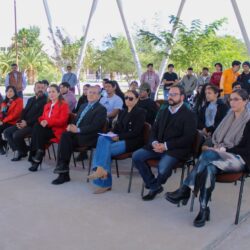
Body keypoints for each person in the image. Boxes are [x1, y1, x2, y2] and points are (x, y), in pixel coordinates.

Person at [166, 89, 250, 228]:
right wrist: (208, 145)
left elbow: (246, 149)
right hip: (219, 156)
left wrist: (222, 150)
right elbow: (215, 137)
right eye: (231, 99)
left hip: (240, 159)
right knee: (209, 168)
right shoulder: (229, 116)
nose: (232, 102)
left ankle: (186, 189)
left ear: (246, 101)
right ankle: (203, 210)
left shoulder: (248, 120)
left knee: (208, 155)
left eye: (237, 99)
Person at [132, 85, 197, 201]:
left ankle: (154, 186)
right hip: (157, 146)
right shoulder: (163, 111)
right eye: (169, 94)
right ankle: (154, 185)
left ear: (182, 97)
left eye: (174, 95)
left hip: (175, 149)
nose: (170, 97)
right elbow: (154, 130)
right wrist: (154, 142)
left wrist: (166, 146)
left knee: (162, 167)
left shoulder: (189, 115)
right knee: (136, 156)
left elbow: (188, 138)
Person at [88, 90, 146, 194]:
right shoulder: (123, 111)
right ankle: (101, 171)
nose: (127, 100)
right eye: (126, 97)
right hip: (119, 138)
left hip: (131, 142)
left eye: (131, 98)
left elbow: (136, 132)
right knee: (102, 138)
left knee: (105, 150)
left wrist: (119, 137)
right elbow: (118, 127)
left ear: (137, 99)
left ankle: (103, 179)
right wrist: (111, 133)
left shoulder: (140, 112)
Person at [52, 86, 107, 185]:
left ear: (99, 96)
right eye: (89, 92)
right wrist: (71, 125)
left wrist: (77, 129)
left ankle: (63, 172)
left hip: (89, 136)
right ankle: (63, 171)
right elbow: (76, 120)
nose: (90, 94)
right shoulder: (83, 105)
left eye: (94, 93)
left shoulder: (101, 109)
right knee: (65, 136)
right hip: (76, 134)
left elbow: (95, 127)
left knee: (65, 139)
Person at [28, 84, 70, 172]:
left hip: (56, 130)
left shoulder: (63, 105)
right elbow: (42, 117)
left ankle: (36, 156)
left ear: (58, 93)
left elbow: (62, 121)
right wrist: (42, 121)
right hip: (45, 128)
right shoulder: (47, 105)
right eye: (49, 92)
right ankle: (39, 153)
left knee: (38, 131)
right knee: (37, 126)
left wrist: (48, 122)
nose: (51, 94)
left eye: (53, 91)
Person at [4, 81, 47, 161]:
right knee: (7, 132)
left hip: (34, 125)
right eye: (38, 88)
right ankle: (21, 150)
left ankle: (22, 151)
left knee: (16, 135)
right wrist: (20, 121)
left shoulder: (46, 101)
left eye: (42, 88)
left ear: (45, 89)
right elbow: (24, 111)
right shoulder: (31, 99)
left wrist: (26, 123)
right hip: (24, 123)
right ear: (34, 89)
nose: (40, 89)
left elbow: (40, 116)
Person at [0, 86, 23, 154]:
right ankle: (2, 145)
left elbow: (15, 115)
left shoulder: (19, 100)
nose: (8, 93)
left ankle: (16, 150)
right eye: (7, 91)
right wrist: (0, 120)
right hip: (6, 121)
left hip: (14, 122)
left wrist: (3, 121)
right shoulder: (5, 102)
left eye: (10, 91)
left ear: (14, 92)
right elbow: (2, 113)